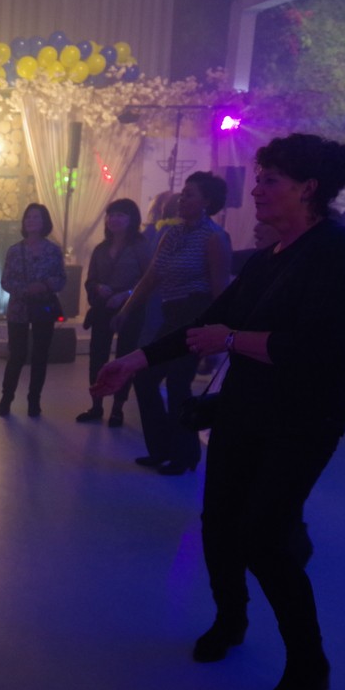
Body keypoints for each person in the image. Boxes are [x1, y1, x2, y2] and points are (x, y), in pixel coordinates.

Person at [94, 133, 345, 690]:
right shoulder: (270, 258)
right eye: (260, 178)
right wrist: (134, 360)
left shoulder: (338, 250)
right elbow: (207, 322)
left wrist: (234, 341)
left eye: (270, 180)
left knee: (266, 538)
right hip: (245, 410)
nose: (258, 191)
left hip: (303, 419)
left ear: (308, 188)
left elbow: (320, 349)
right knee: (218, 523)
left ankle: (308, 663)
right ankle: (230, 619)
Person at [109, 170, 232, 474]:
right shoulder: (172, 234)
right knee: (145, 378)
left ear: (206, 201)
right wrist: (126, 309)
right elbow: (151, 277)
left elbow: (220, 291)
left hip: (197, 313)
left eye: (189, 194)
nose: (181, 199)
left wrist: (216, 338)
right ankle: (163, 448)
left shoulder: (214, 237)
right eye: (183, 193)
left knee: (178, 383)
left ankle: (183, 454)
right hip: (172, 315)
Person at [78, 198, 155, 424]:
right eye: (111, 215)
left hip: (130, 310)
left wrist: (125, 295)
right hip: (103, 308)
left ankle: (118, 408)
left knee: (125, 355)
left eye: (120, 215)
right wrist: (97, 288)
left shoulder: (140, 246)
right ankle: (96, 405)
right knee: (97, 356)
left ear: (132, 219)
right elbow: (90, 280)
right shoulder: (100, 249)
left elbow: (149, 280)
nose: (114, 219)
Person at [0, 202, 67, 417]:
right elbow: (6, 281)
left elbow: (61, 279)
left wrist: (45, 286)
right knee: (16, 355)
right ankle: (6, 398)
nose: (31, 221)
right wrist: (26, 289)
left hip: (43, 308)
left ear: (45, 222)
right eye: (28, 217)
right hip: (19, 308)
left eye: (36, 217)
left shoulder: (53, 250)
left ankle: (34, 400)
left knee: (40, 355)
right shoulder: (14, 251)